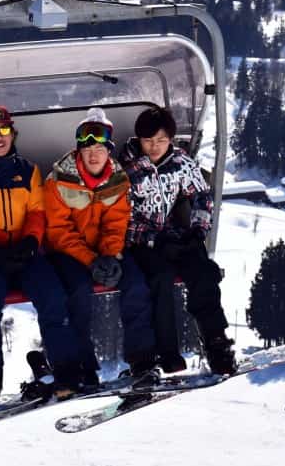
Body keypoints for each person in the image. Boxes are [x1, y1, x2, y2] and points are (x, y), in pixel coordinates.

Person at [0, 105, 80, 400]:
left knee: (53, 296)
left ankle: (66, 369)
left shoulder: (28, 170)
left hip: (25, 251)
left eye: (4, 131)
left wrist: (31, 243)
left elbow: (37, 212)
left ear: (13, 133)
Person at [43, 107, 157, 386]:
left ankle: (142, 360)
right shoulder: (58, 181)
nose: (93, 154)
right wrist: (90, 260)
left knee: (136, 285)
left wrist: (109, 255)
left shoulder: (118, 180)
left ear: (109, 150)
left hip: (105, 250)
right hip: (69, 252)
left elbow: (116, 222)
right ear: (79, 151)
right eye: (87, 148)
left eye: (100, 148)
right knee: (79, 292)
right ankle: (83, 365)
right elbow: (59, 230)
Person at [120, 106, 237, 375]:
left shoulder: (181, 162)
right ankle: (166, 351)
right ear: (139, 139)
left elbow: (201, 196)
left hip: (173, 233)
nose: (155, 147)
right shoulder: (127, 169)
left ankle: (216, 340)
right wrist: (152, 239)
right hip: (140, 239)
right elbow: (121, 215)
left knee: (203, 270)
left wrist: (197, 229)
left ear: (170, 139)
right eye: (149, 141)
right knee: (159, 278)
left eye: (161, 140)